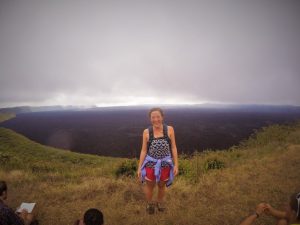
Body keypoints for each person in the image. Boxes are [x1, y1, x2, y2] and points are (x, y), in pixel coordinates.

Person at [137, 107, 179, 214]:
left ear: (162, 117)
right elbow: (143, 150)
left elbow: (173, 147)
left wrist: (176, 165)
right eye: (153, 117)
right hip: (150, 164)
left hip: (165, 164)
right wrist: (139, 167)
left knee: (161, 186)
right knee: (150, 186)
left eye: (158, 117)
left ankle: (159, 203)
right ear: (150, 119)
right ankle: (149, 204)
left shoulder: (170, 129)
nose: (156, 119)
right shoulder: (146, 132)